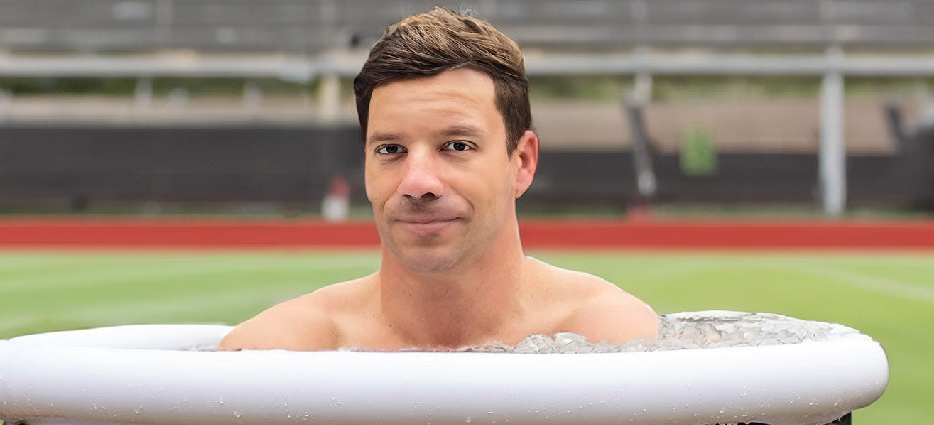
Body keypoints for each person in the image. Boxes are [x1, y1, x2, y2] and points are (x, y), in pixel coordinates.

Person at [219, 8, 658, 351]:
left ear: (521, 162)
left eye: (457, 146)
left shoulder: (610, 340)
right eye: (391, 149)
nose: (418, 183)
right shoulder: (282, 348)